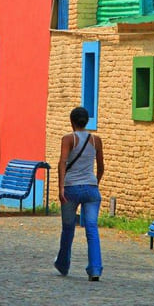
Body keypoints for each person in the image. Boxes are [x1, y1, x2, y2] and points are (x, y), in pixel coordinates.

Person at [53, 106, 104, 281]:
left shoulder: (68, 139)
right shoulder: (96, 140)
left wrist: (61, 187)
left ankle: (63, 264)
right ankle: (95, 269)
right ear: (87, 121)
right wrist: (95, 182)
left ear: (72, 122)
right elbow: (101, 166)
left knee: (68, 228)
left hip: (71, 188)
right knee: (92, 228)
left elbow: (62, 163)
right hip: (91, 189)